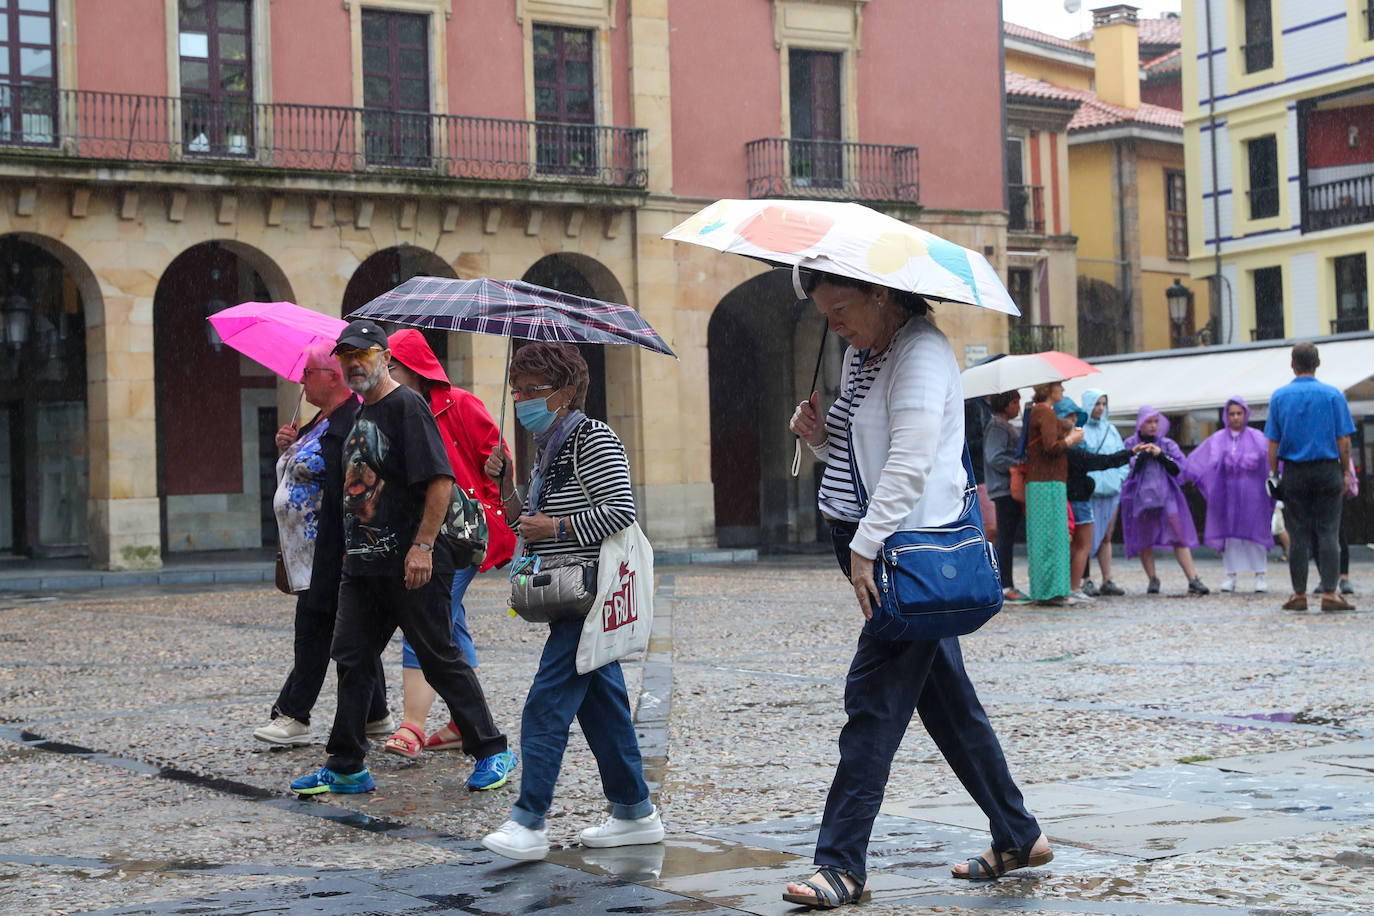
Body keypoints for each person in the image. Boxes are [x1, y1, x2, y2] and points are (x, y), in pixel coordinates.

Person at [785, 271, 1050, 908]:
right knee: (949, 705)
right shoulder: (862, 356)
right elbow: (863, 460)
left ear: (881, 293)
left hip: (908, 558)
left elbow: (909, 462)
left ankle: (841, 864)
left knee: (872, 705)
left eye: (842, 309)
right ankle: (1018, 834)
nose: (836, 325)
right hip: (891, 551)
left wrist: (863, 547)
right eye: (826, 315)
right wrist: (820, 438)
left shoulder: (922, 353)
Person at [290, 319, 515, 795]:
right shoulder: (354, 414)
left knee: (437, 657)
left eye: (363, 355)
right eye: (346, 357)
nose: (354, 365)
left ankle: (492, 751)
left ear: (385, 358)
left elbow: (440, 480)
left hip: (413, 564)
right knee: (352, 659)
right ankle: (348, 763)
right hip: (364, 567)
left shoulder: (406, 406)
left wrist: (422, 546)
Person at [480, 342, 662, 861]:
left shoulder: (592, 437)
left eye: (531, 391)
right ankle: (634, 812)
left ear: (564, 393)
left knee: (545, 703)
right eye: (517, 390)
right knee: (602, 706)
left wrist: (557, 524)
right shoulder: (548, 445)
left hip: (590, 591)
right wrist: (508, 487)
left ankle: (528, 820)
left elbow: (620, 511)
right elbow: (527, 526)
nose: (521, 400)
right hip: (568, 590)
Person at [380, 329, 518, 758]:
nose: (386, 374)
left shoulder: (460, 404)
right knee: (449, 622)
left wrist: (497, 482)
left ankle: (412, 726)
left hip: (457, 536)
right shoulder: (393, 411)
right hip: (417, 534)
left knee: (424, 617)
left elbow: (497, 462)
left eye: (392, 367)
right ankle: (464, 722)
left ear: (413, 368)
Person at [255, 342, 393, 747]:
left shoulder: (350, 419)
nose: (300, 380)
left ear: (332, 377)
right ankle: (376, 713)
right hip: (308, 551)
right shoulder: (321, 419)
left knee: (315, 628)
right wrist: (288, 446)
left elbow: (348, 481)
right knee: (348, 632)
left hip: (331, 547)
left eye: (308, 373)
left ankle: (293, 714)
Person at [1265, 341, 1357, 612]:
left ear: (1292, 365)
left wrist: (1273, 474)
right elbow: (1344, 439)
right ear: (1318, 364)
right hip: (1327, 469)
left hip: (1294, 471)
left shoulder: (1280, 397)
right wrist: (1345, 472)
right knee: (1329, 531)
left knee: (1299, 534)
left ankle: (1299, 594)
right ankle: (1330, 592)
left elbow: (1273, 442)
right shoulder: (1333, 395)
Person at [1183, 397, 1274, 593]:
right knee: (1230, 535)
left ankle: (1260, 575)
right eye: (1231, 414)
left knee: (1255, 532)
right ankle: (1231, 575)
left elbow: (1269, 460)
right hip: (1227, 495)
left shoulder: (1257, 436)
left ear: (1245, 414)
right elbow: (1203, 460)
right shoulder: (1217, 438)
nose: (1235, 417)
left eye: (1239, 413)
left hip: (1253, 495)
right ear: (1226, 415)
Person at [1121, 407, 1209, 596]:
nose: (1153, 426)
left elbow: (1180, 469)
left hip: (1167, 497)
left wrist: (1161, 455)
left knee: (1179, 536)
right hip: (1141, 499)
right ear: (1140, 424)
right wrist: (1141, 456)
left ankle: (1192, 578)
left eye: (1155, 422)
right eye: (1148, 422)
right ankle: (1152, 578)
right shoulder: (1130, 444)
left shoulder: (1168, 444)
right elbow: (1125, 471)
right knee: (1144, 540)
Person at [1056, 397, 1132, 602]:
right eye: (1071, 417)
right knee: (1083, 546)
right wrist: (1130, 453)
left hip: (1068, 498)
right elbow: (1100, 461)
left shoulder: (1062, 447)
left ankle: (1070, 585)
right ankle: (1074, 586)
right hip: (1079, 500)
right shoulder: (1071, 448)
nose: (1074, 421)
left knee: (1077, 545)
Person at [1024, 382, 1081, 607]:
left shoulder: (1038, 411)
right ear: (1048, 389)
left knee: (1044, 539)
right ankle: (1052, 591)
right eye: (1059, 386)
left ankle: (1045, 590)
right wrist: (1071, 440)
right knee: (1052, 538)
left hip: (1041, 481)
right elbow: (1050, 447)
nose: (1063, 390)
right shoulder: (1044, 412)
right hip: (1047, 482)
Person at [1077, 388, 1129, 597]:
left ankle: (1107, 578)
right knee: (1087, 537)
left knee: (1106, 536)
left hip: (1111, 491)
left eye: (1103, 404)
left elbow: (1121, 455)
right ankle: (1085, 578)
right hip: (1092, 491)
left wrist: (1120, 478)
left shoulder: (1112, 430)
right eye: (1096, 403)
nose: (1100, 408)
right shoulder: (1081, 430)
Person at [982, 389, 1029, 603]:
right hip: (1004, 488)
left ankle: (1005, 582)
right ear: (1007, 404)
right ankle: (1004, 584)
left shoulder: (1004, 425)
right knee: (1005, 538)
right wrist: (1017, 464)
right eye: (1016, 402)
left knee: (1006, 537)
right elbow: (994, 457)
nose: (1018, 407)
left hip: (1007, 487)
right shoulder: (997, 426)